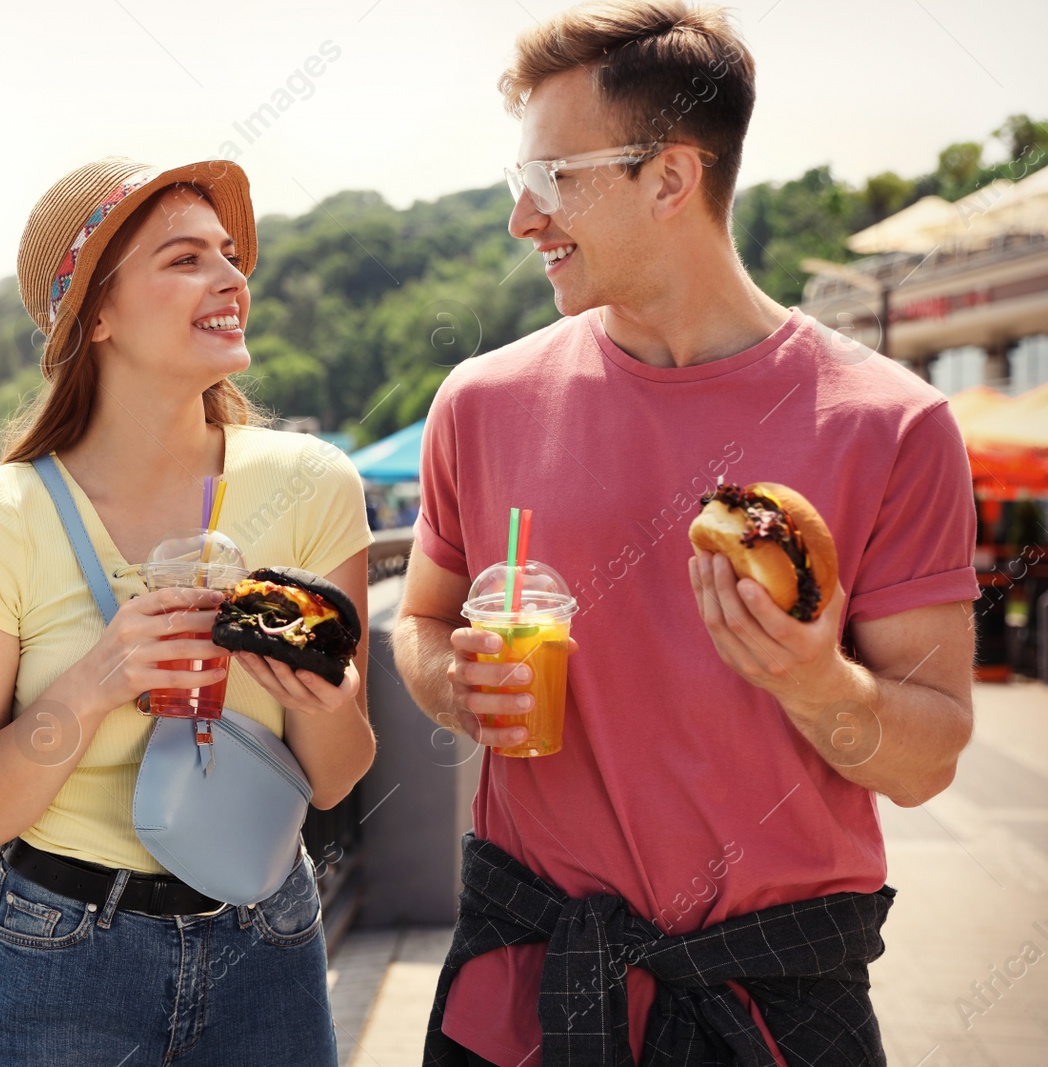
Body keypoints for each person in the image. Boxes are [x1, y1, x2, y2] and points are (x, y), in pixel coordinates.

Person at [391, 4, 980, 1065]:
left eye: (552, 180)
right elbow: (422, 622)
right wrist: (450, 681)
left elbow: (926, 757)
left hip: (775, 1006)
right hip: (526, 989)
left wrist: (815, 681)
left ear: (670, 179)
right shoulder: (477, 402)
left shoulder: (893, 422)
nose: (523, 220)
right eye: (516, 183)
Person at [0, 156, 376, 1066]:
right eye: (184, 258)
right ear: (97, 315)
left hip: (269, 939)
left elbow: (338, 776)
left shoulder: (313, 483)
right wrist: (93, 685)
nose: (231, 276)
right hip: (64, 958)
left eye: (230, 254)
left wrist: (323, 699)